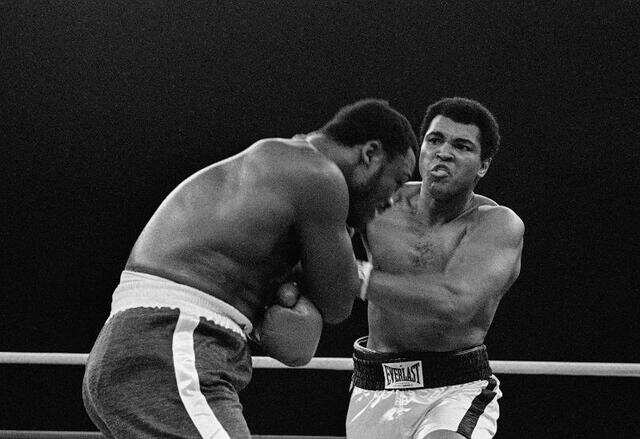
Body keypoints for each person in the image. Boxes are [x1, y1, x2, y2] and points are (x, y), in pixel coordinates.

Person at [82, 98, 417, 439]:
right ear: (370, 154)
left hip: (139, 347)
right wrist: (349, 237)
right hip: (172, 348)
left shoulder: (275, 163)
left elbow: (299, 344)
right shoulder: (320, 176)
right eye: (397, 181)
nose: (391, 200)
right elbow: (337, 303)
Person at [347, 97, 525, 439]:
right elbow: (311, 240)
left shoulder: (497, 225)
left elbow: (454, 302)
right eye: (435, 140)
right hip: (372, 385)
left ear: (483, 165)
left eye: (461, 146)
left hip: (454, 390)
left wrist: (354, 277)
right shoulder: (378, 204)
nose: (444, 152)